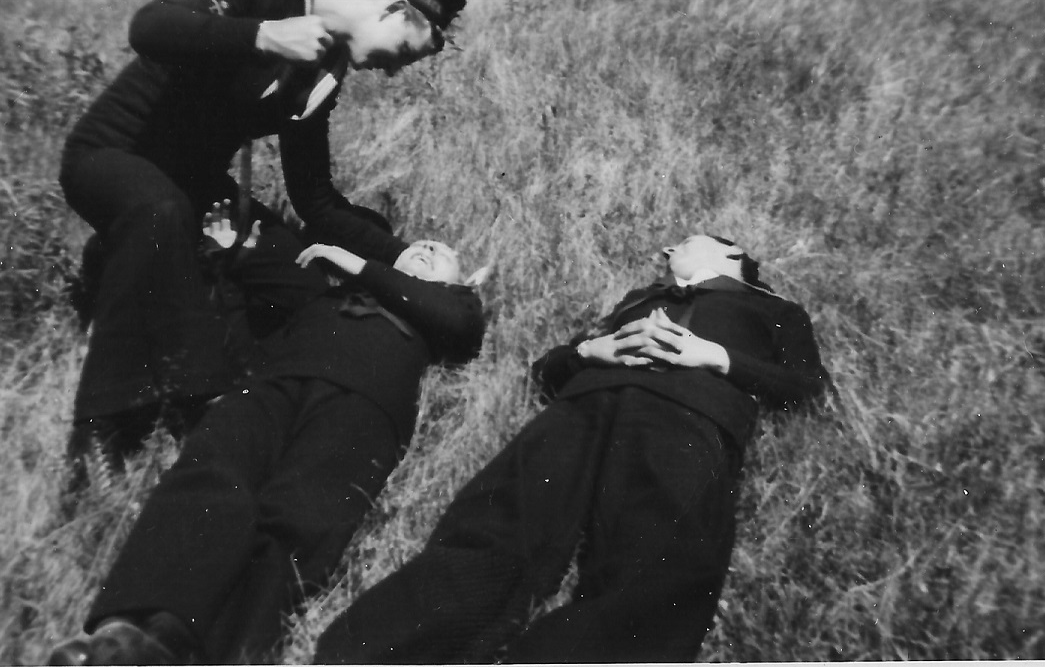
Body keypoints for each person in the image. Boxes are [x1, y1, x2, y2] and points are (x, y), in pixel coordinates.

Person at [312, 234, 831, 664]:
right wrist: (588, 351)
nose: (667, 250)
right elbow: (545, 371)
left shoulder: (776, 309)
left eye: (683, 242)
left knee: (660, 566)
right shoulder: (637, 299)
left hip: (690, 414)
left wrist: (714, 356)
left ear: (732, 251)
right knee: (495, 525)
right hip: (583, 404)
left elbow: (806, 385)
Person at [59, 0, 468, 461]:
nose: (392, 73)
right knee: (159, 212)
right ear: (393, 10)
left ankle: (239, 374)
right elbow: (150, 25)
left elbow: (315, 201)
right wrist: (262, 35)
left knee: (299, 282)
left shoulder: (322, 73)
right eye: (405, 53)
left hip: (190, 190)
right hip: (111, 156)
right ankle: (108, 429)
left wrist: (399, 254)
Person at [48, 212, 485, 666]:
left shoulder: (457, 307)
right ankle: (128, 632)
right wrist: (225, 267)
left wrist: (356, 264)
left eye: (440, 251)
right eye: (419, 244)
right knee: (208, 477)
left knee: (295, 524)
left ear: (464, 282)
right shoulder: (330, 294)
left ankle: (199, 651)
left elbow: (460, 327)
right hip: (272, 386)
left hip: (365, 404)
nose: (426, 247)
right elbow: (246, 346)